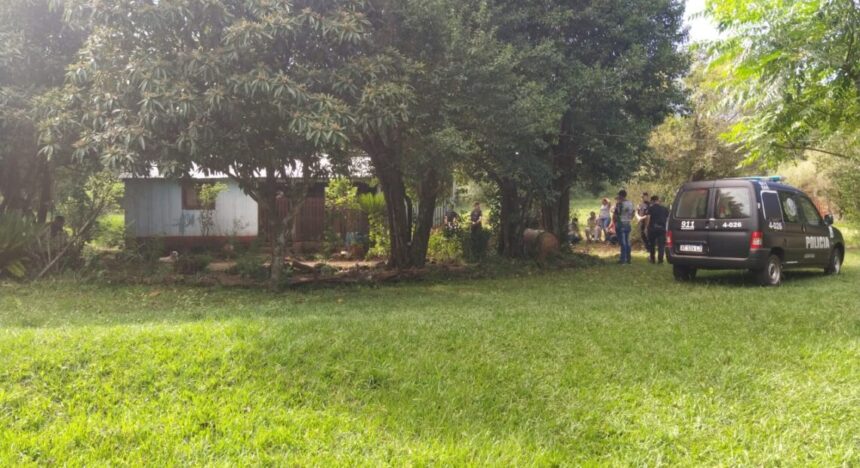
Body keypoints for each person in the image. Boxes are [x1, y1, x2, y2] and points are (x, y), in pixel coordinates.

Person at [645, 195, 669, 264]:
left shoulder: (651, 208)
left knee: (652, 244)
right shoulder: (664, 209)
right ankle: (660, 260)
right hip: (662, 228)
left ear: (652, 201)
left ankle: (652, 259)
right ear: (658, 200)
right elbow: (668, 218)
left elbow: (648, 218)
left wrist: (646, 227)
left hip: (652, 228)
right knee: (661, 245)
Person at [614, 190, 635, 264]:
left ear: (620, 196)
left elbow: (616, 214)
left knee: (622, 243)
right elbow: (633, 213)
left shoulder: (619, 204)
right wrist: (629, 219)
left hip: (621, 224)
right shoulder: (631, 203)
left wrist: (616, 221)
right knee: (627, 242)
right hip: (628, 224)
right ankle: (628, 259)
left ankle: (623, 260)